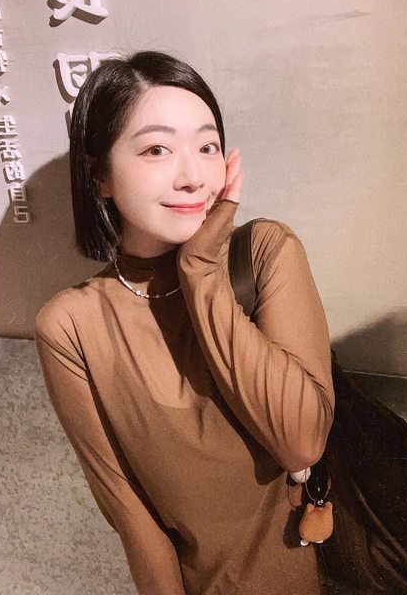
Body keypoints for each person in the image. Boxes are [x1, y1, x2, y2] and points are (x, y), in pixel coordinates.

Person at [35, 50, 335, 595]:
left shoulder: (265, 252)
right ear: (100, 175)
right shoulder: (71, 326)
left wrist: (200, 271)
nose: (193, 176)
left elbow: (302, 443)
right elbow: (133, 518)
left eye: (207, 146)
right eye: (157, 149)